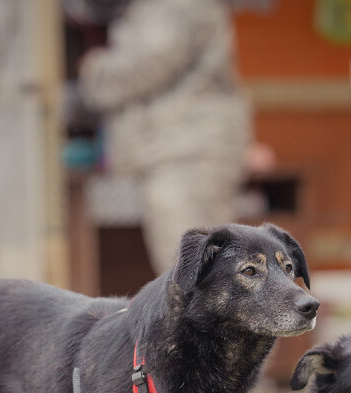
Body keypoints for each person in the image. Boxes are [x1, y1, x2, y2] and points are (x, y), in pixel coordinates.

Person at [78, 0, 250, 274]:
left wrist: (91, 69)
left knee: (194, 276)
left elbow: (144, 68)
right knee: (190, 273)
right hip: (174, 151)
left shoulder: (176, 5)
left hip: (187, 153)